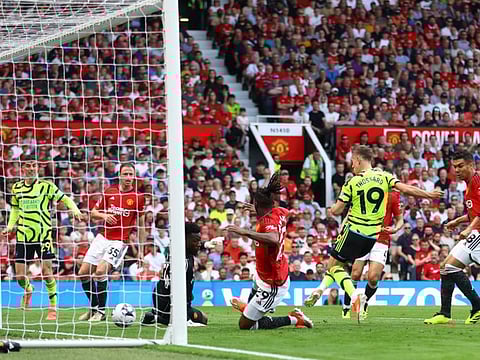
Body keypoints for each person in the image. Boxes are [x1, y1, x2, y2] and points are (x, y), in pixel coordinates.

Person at [304, 146, 443, 320]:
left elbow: (338, 210)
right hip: (372, 237)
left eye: (353, 161)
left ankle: (351, 296)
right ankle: (330, 295)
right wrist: (429, 195)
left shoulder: (352, 182)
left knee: (333, 268)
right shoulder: (385, 177)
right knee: (352, 272)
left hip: (355, 231)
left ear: (360, 160)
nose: (351, 165)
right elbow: (407, 189)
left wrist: (332, 208)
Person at [226, 172, 313, 330]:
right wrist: (258, 209)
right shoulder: (278, 211)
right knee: (252, 309)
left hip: (272, 281)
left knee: (246, 325)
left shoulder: (267, 222)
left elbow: (273, 238)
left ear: (259, 205)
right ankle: (249, 308)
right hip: (262, 272)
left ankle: (294, 319)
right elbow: (286, 214)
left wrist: (244, 232)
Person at [1, 155, 84, 320]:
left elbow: (65, 198)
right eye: (28, 165)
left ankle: (52, 307)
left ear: (38, 168)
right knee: (19, 276)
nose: (31, 168)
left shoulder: (47, 186)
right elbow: (16, 210)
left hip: (44, 235)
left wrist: (75, 209)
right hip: (24, 236)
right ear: (22, 168)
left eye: (34, 165)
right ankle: (29, 289)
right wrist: (10, 226)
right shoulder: (17, 188)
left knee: (47, 272)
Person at [77, 163, 145, 322]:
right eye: (125, 174)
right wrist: (104, 216)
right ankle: (93, 308)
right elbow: (93, 213)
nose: (128, 177)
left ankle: (100, 312)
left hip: (120, 241)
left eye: (131, 174)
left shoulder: (138, 197)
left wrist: (141, 249)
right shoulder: (109, 192)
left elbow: (141, 225)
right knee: (83, 273)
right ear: (119, 175)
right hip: (102, 237)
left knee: (100, 272)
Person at [424, 151, 480, 325]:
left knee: (449, 267)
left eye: (460, 166)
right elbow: (473, 213)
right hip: (475, 232)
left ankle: (477, 306)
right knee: (445, 267)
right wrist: (457, 221)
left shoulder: (477, 183)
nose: (456, 170)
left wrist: (469, 229)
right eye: (454, 167)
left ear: (472, 165)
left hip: (478, 234)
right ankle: (445, 313)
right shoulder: (469, 184)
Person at [342, 189, 403, 319]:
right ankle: (346, 306)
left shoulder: (392, 197)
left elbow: (400, 219)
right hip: (362, 237)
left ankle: (365, 300)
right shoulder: (364, 194)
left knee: (373, 278)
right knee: (355, 274)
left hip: (381, 239)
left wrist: (396, 229)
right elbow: (351, 213)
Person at [141, 223, 208, 326]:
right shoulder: (184, 262)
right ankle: (158, 318)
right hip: (170, 302)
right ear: (185, 239)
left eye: (199, 241)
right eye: (196, 241)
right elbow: (180, 290)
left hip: (159, 296)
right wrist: (185, 314)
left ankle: (156, 314)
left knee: (202, 316)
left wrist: (206, 244)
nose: (198, 244)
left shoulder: (175, 249)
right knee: (203, 318)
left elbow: (192, 242)